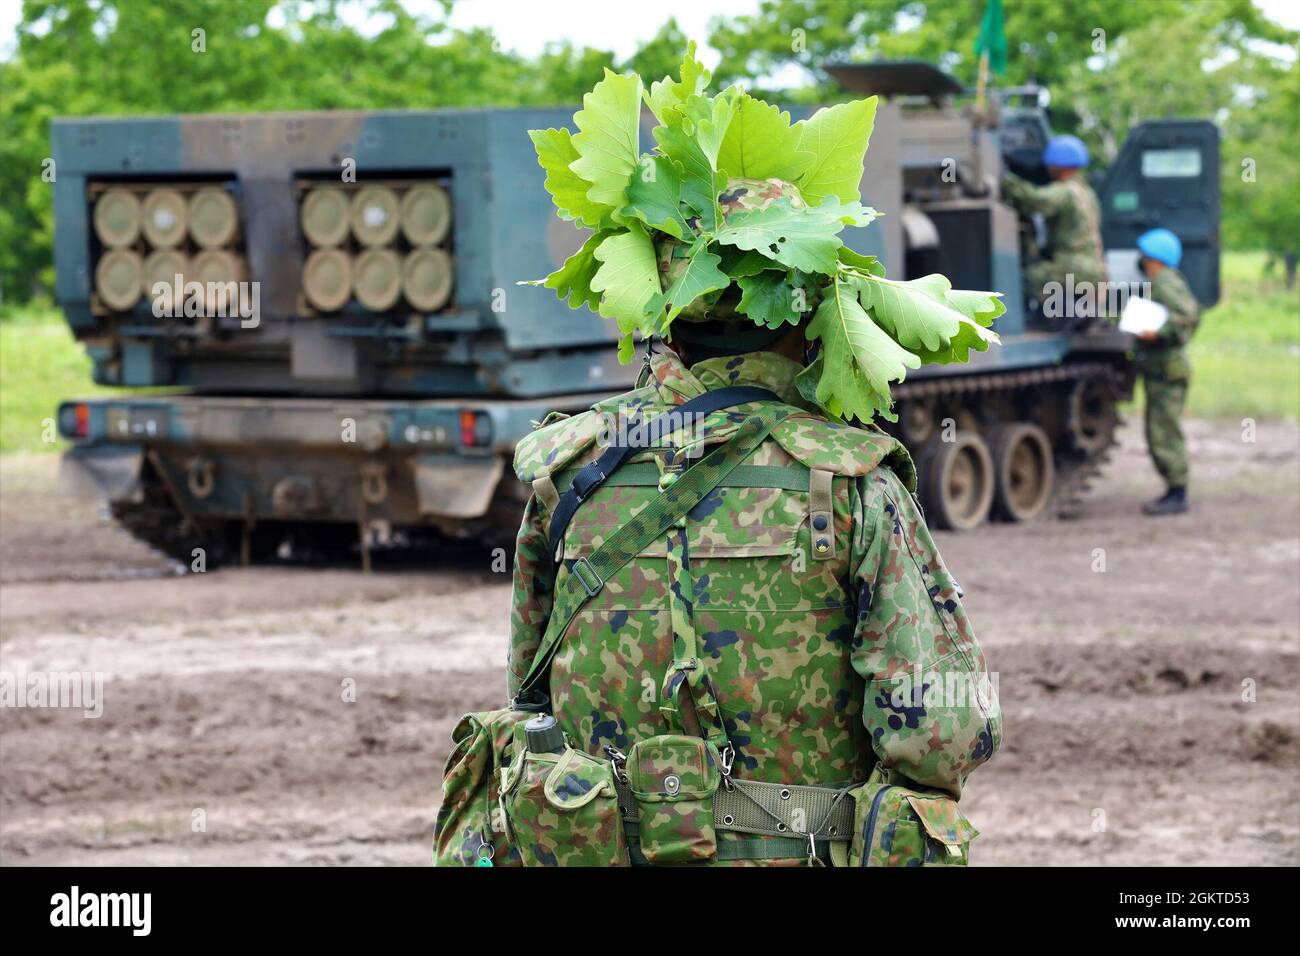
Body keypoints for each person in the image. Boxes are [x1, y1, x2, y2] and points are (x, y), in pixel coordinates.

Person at [504, 316, 1002, 866]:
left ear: (664, 329)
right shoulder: (849, 481)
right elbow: (944, 730)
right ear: (808, 330)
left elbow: (529, 696)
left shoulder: (571, 473)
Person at [1133, 228, 1200, 516]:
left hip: (1167, 371)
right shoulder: (1160, 281)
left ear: (1154, 258)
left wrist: (1158, 332)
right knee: (1160, 430)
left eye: (1145, 256)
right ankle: (1175, 489)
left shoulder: (1164, 281)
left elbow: (1188, 316)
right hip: (1162, 370)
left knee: (1165, 432)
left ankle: (1177, 493)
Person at [1001, 134, 1106, 313]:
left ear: (1057, 165)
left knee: (1027, 279)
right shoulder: (1087, 193)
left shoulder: (1065, 192)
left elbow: (1035, 200)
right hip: (1095, 267)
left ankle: (1074, 313)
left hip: (1074, 265)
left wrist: (1007, 181)